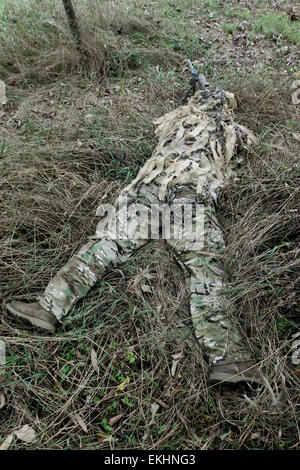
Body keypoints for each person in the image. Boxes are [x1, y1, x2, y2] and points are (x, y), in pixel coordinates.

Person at [5, 71, 264, 385]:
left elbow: (164, 134)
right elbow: (245, 148)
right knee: (204, 271)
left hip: (147, 193)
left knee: (105, 246)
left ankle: (49, 308)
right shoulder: (231, 130)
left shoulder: (179, 120)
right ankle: (229, 358)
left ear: (194, 102)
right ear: (225, 108)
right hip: (190, 201)